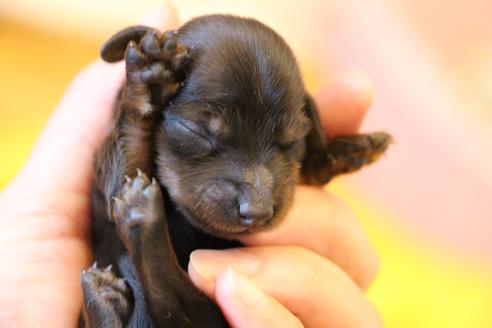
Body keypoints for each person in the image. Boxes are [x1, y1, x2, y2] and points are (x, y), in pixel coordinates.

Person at [0, 3, 382, 327]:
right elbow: (121, 181)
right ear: (152, 92)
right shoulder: (128, 127)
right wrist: (137, 104)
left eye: (286, 144)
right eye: (203, 135)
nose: (256, 205)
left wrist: (318, 162)